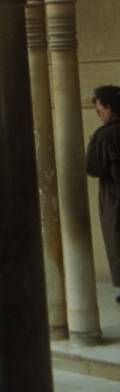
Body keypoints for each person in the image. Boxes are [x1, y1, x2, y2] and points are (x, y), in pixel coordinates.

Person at [86, 84, 120, 300]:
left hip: (115, 198)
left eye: (99, 110)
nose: (98, 114)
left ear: (108, 108)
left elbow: (93, 168)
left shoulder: (106, 134)